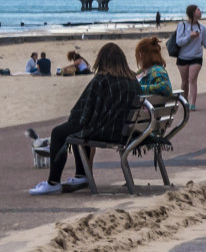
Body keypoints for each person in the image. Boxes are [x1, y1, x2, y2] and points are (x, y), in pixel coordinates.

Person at [26, 43, 141, 195]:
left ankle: (53, 182)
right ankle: (81, 175)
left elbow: (84, 108)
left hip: (107, 132)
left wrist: (74, 120)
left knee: (61, 132)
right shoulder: (133, 81)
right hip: (127, 132)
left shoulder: (102, 80)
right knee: (79, 127)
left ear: (102, 61)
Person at [174, 4, 206, 107]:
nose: (200, 11)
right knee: (184, 82)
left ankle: (193, 103)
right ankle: (185, 103)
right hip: (182, 57)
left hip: (196, 57)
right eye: (198, 10)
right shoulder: (182, 26)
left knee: (192, 79)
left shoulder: (202, 28)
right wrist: (190, 37)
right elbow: (179, 42)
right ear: (192, 12)